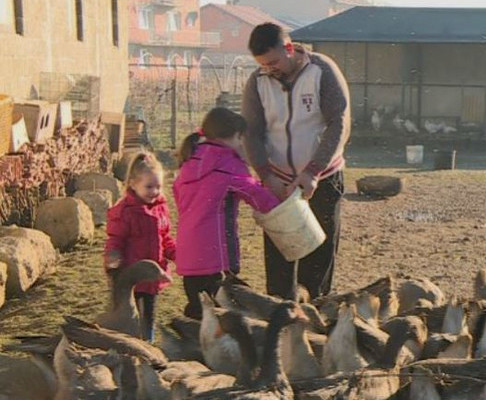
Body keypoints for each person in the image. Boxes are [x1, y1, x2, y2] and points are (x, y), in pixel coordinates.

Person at [242, 22, 351, 300]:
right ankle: (281, 322)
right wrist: (266, 175)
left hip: (322, 179)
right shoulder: (257, 82)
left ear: (289, 48)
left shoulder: (322, 70)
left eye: (274, 61)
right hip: (278, 183)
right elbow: (252, 132)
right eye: (263, 64)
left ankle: (315, 320)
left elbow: (339, 124)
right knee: (279, 268)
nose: (270, 69)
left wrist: (313, 171)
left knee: (318, 264)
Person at [173, 107, 280, 320]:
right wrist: (279, 204)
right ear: (235, 136)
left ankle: (193, 341)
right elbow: (254, 194)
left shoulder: (190, 161)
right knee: (218, 312)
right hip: (216, 254)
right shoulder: (227, 163)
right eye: (241, 138)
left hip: (188, 254)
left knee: (197, 307)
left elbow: (178, 195)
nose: (242, 144)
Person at [104, 152, 176, 342]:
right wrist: (112, 256)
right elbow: (115, 238)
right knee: (131, 314)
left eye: (158, 187)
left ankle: (148, 342)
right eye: (149, 187)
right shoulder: (125, 212)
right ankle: (130, 342)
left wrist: (176, 253)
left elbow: (165, 237)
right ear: (133, 184)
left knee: (149, 313)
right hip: (131, 275)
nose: (154, 192)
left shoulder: (160, 208)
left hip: (152, 276)